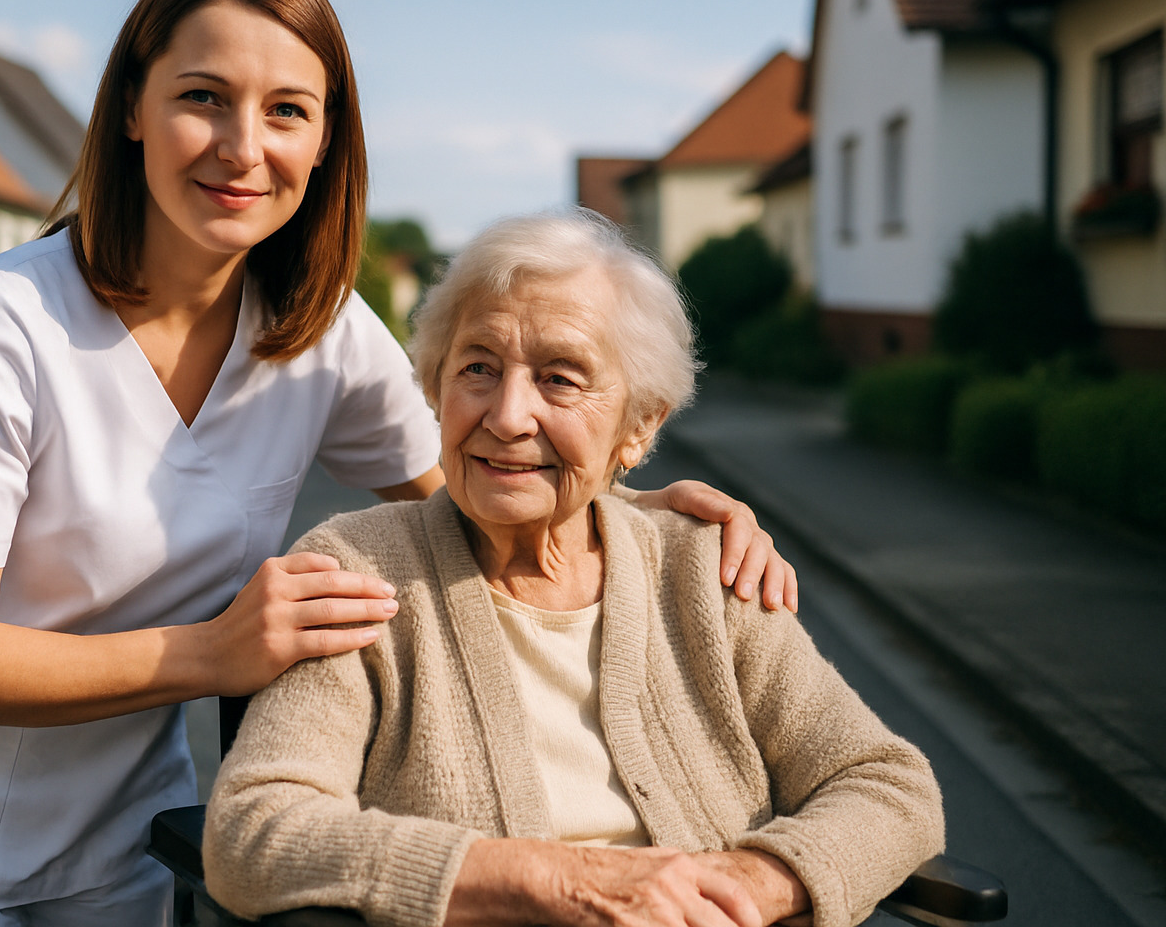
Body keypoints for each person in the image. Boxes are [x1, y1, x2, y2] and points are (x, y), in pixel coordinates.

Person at [0, 0, 794, 927]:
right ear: (134, 108)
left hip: (121, 831)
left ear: (322, 145)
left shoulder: (320, 334)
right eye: (202, 97)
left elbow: (474, 480)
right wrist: (213, 651)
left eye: (286, 113)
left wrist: (642, 512)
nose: (242, 146)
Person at [204, 210, 944, 927]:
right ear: (434, 387)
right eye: (478, 368)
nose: (507, 415)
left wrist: (751, 885)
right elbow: (255, 830)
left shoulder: (700, 568)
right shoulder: (355, 570)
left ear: (640, 425)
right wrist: (558, 883)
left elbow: (889, 784)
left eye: (559, 378)